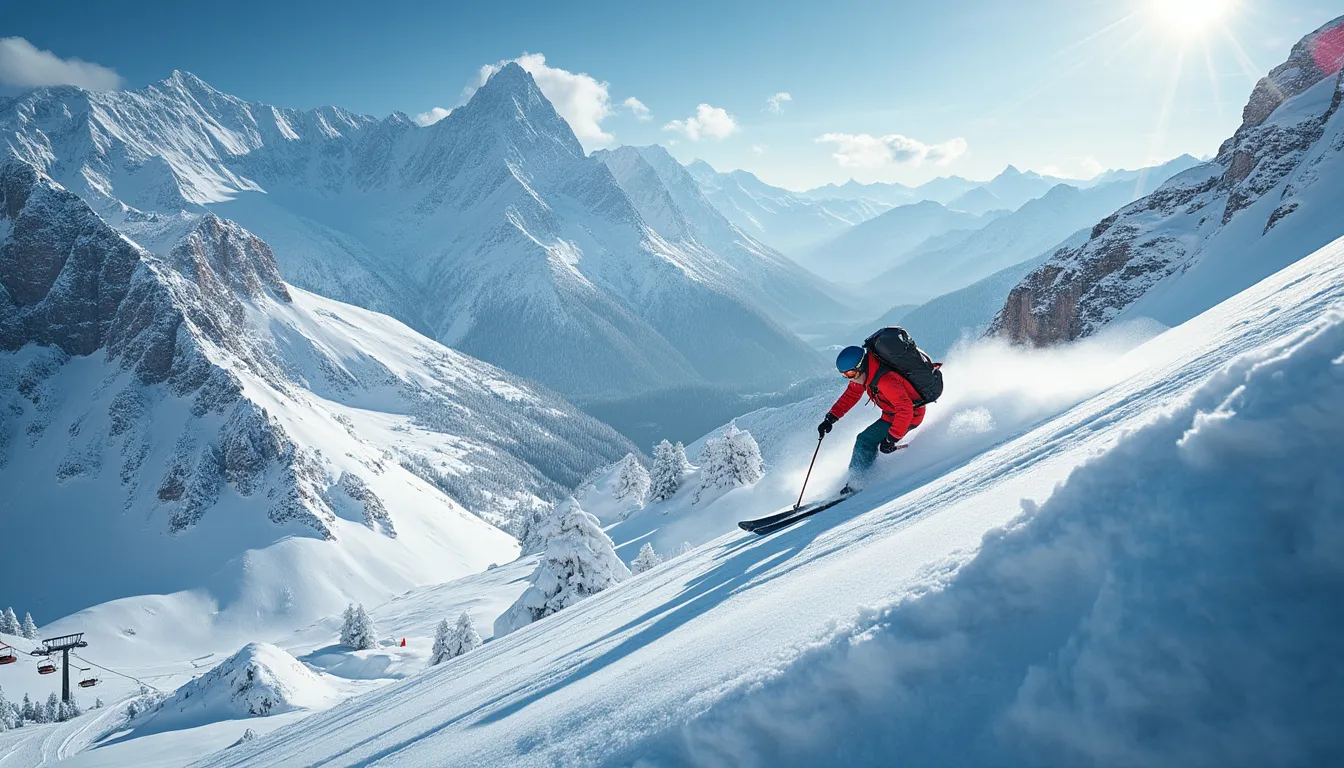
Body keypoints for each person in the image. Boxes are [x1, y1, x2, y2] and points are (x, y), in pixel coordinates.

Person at [817, 344, 926, 493]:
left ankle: (857, 483)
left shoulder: (885, 381)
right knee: (866, 440)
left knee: (865, 440)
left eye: (850, 374)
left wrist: (892, 439)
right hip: (891, 415)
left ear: (861, 366)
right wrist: (831, 418)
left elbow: (905, 410)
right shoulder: (865, 374)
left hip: (910, 416)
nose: (850, 379)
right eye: (845, 375)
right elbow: (851, 395)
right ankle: (858, 479)